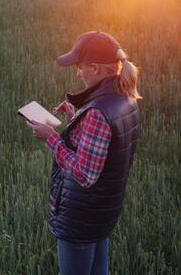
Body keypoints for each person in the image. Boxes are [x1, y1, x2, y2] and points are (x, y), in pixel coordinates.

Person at [26, 31, 141, 275]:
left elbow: (85, 174)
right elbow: (107, 150)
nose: (77, 73)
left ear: (95, 68)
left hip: (81, 215)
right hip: (104, 209)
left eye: (79, 67)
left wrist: (51, 137)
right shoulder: (125, 97)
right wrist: (75, 118)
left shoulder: (98, 111)